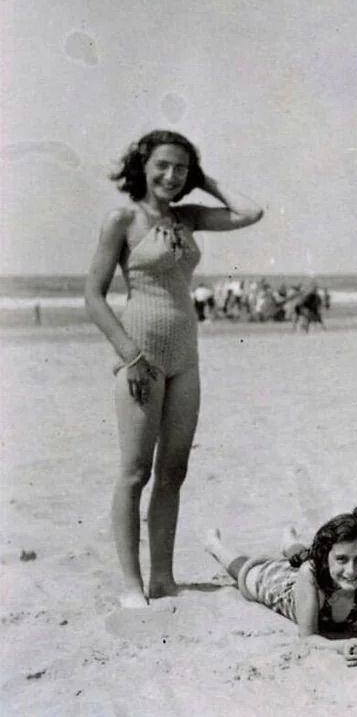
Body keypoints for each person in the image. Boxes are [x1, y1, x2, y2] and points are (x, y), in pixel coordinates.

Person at [85, 130, 263, 608]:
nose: (171, 175)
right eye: (163, 165)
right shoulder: (122, 219)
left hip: (187, 355)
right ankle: (131, 585)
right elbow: (93, 297)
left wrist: (206, 180)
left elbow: (251, 212)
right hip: (140, 354)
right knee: (134, 472)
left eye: (182, 168)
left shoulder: (188, 217)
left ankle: (163, 579)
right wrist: (130, 356)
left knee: (174, 470)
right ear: (142, 165)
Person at [205, 506, 357, 665]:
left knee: (304, 556)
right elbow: (308, 639)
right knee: (251, 573)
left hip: (320, 569)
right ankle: (215, 546)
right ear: (326, 558)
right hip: (287, 589)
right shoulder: (312, 572)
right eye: (342, 559)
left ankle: (289, 542)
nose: (352, 570)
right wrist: (339, 646)